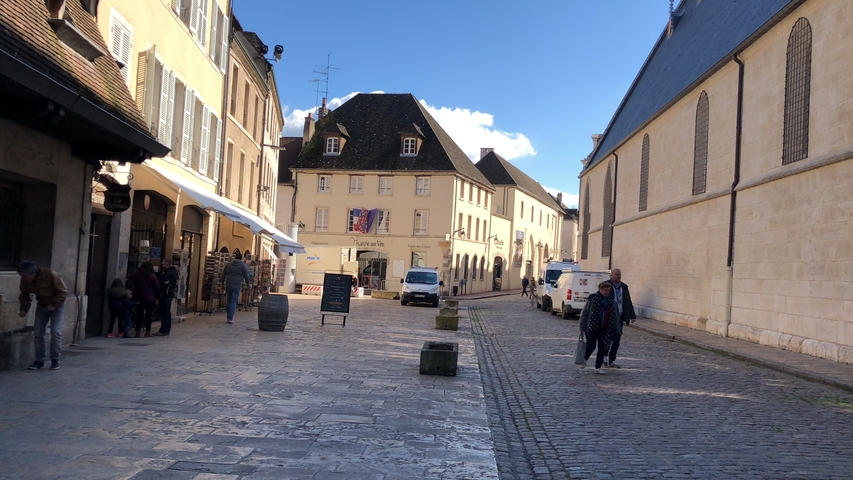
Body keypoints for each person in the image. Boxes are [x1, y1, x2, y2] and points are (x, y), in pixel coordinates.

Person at [17, 261, 67, 370]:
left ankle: (55, 359)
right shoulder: (26, 281)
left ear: (32, 274)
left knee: (55, 331)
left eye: (25, 276)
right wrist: (24, 309)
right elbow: (24, 295)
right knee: (38, 333)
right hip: (42, 305)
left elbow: (62, 291)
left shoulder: (50, 275)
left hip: (57, 305)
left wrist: (54, 304)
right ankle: (39, 359)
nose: (24, 278)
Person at [578, 281, 619, 374]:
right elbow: (585, 313)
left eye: (608, 290)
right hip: (592, 327)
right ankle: (584, 359)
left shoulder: (611, 302)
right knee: (591, 346)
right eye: (605, 290)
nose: (607, 292)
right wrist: (582, 326)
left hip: (606, 328)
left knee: (603, 347)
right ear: (600, 290)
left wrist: (616, 329)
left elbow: (615, 316)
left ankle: (598, 366)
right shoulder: (593, 299)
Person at [605, 268, 636, 368]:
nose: (618, 276)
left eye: (620, 274)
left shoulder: (624, 287)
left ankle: (612, 359)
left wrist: (632, 315)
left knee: (617, 339)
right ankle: (604, 357)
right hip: (609, 316)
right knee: (607, 338)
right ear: (611, 275)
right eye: (616, 274)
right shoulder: (606, 286)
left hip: (620, 316)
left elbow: (628, 301)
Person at [130, 262, 160, 337]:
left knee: (139, 314)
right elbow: (156, 287)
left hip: (138, 296)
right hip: (149, 297)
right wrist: (157, 296)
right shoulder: (152, 276)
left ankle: (138, 331)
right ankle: (147, 331)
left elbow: (131, 283)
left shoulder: (136, 275)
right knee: (148, 315)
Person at [221, 252, 251, 324]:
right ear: (241, 258)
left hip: (228, 284)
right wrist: (248, 284)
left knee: (229, 300)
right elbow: (246, 276)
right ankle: (230, 318)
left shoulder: (228, 265)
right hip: (237, 284)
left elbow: (223, 274)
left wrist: (222, 283)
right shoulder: (243, 266)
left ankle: (228, 316)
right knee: (233, 301)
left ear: (235, 257)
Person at [153, 259, 179, 336]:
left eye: (163, 262)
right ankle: (166, 329)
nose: (162, 264)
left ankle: (163, 330)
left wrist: (159, 282)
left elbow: (166, 282)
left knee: (164, 312)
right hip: (169, 294)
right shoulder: (172, 272)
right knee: (166, 312)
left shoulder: (168, 273)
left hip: (166, 294)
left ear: (168, 263)